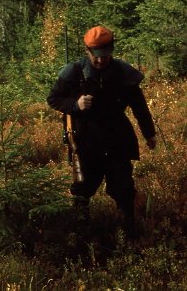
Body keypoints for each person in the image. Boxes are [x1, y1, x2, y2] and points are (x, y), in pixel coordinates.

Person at [47, 26, 156, 235]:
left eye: (105, 56)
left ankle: (128, 231)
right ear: (87, 51)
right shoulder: (74, 72)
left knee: (123, 188)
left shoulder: (124, 72)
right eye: (96, 56)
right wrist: (75, 104)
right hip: (85, 141)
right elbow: (53, 99)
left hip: (117, 140)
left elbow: (140, 107)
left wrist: (149, 133)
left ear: (112, 50)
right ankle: (82, 233)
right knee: (82, 189)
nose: (100, 60)